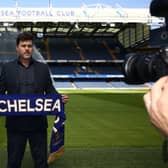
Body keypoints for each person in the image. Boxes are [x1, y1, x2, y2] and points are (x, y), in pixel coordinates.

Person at [0, 32, 68, 168]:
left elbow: (50, 90)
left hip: (38, 125)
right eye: (23, 45)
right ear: (17, 48)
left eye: (29, 46)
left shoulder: (43, 68)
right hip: (15, 126)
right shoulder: (7, 68)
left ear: (32, 48)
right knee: (13, 162)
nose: (27, 49)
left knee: (41, 162)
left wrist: (58, 97)